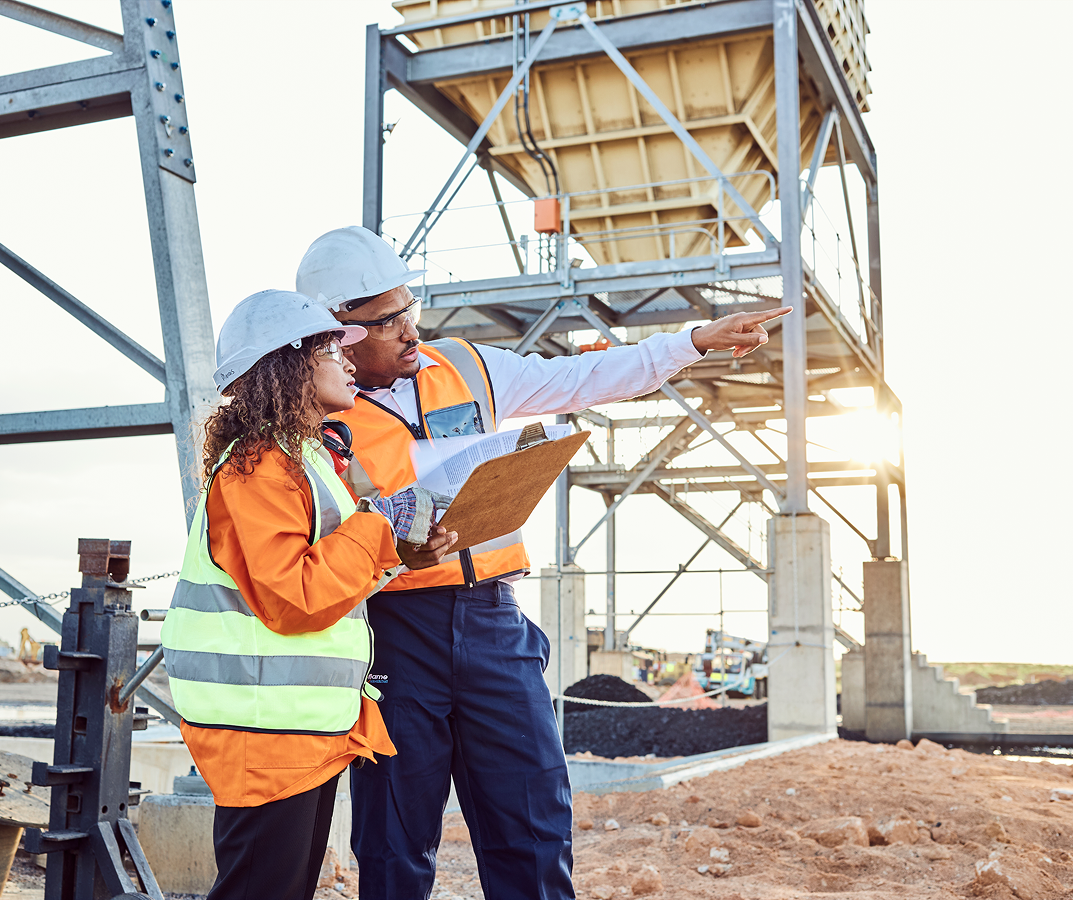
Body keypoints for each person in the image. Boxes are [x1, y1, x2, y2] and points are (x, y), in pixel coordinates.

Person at [297, 227, 791, 900]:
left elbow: (580, 377)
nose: (412, 330)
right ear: (341, 334)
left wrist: (692, 342)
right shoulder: (316, 413)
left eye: (411, 309)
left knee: (532, 820)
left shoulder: (466, 365)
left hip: (495, 621)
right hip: (394, 632)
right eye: (389, 322)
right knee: (393, 837)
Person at [160, 290, 449, 900]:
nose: (350, 360)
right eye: (329, 349)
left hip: (294, 728)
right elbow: (293, 598)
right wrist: (378, 525)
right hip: (265, 732)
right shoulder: (262, 465)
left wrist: (402, 547)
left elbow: (331, 579)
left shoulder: (303, 458)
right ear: (287, 363)